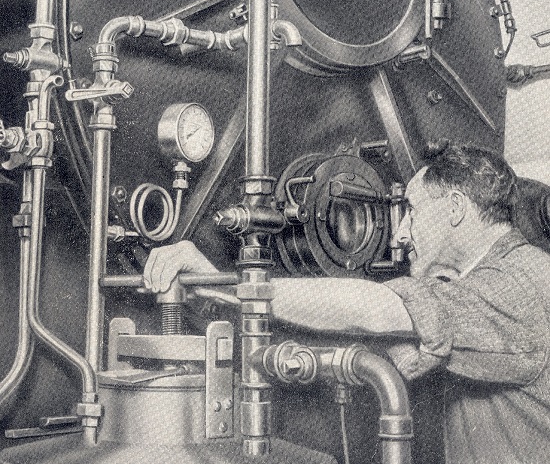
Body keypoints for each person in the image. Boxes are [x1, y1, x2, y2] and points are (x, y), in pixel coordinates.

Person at [144, 142, 550, 464]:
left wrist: (224, 284)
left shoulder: (521, 284)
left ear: (456, 208)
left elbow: (372, 310)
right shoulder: (487, 279)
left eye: (411, 211)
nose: (400, 234)